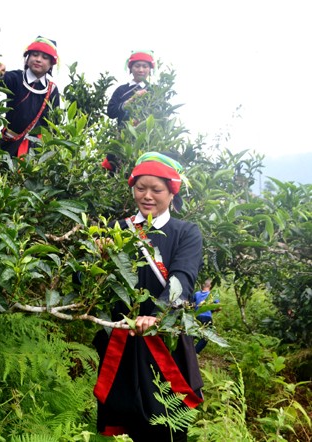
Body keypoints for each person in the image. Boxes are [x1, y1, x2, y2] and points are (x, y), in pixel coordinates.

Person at [92, 152, 204, 441]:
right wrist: (98, 260)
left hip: (165, 341)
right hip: (123, 338)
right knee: (124, 415)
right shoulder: (117, 229)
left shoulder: (186, 232)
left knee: (167, 424)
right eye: (141, 188)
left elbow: (182, 278)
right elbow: (90, 283)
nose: (147, 196)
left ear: (171, 192)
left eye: (157, 189)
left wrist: (158, 315)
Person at [0, 36, 60, 158]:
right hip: (9, 145)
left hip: (35, 152)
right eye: (35, 55)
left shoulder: (52, 90)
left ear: (51, 65)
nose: (38, 59)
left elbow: (53, 123)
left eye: (44, 57)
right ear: (27, 59)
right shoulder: (17, 78)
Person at [106, 50, 155, 126]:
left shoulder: (154, 90)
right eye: (137, 66)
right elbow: (110, 112)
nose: (141, 70)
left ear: (150, 70)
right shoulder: (121, 90)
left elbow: (162, 113)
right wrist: (130, 101)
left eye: (145, 66)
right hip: (124, 135)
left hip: (148, 136)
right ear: (131, 68)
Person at [194, 279, 220, 353]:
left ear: (203, 285)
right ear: (210, 286)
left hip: (196, 316)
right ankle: (195, 352)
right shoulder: (212, 294)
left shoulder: (196, 294)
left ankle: (186, 349)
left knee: (194, 333)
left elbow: (192, 304)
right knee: (206, 337)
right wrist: (213, 310)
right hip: (207, 317)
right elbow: (218, 307)